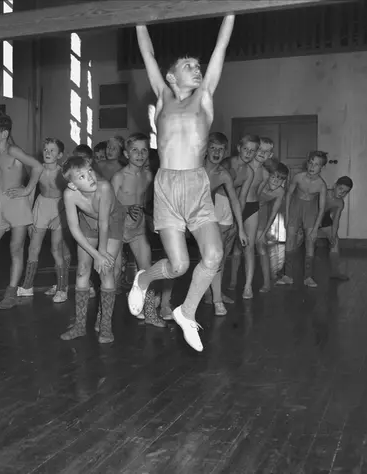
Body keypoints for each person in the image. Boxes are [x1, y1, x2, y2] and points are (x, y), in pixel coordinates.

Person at [128, 15, 234, 352]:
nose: (196, 68)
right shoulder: (163, 95)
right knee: (178, 266)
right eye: (188, 65)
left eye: (197, 65)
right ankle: (143, 279)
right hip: (167, 187)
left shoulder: (204, 96)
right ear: (172, 76)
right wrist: (138, 20)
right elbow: (147, 53)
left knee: (214, 256)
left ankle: (186, 312)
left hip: (196, 186)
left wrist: (231, 12)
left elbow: (220, 47)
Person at [60, 156, 125, 343]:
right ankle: (79, 326)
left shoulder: (104, 188)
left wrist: (101, 254)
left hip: (112, 221)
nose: (90, 177)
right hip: (88, 222)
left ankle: (105, 325)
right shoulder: (69, 194)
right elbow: (74, 228)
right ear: (72, 184)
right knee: (82, 269)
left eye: (90, 171)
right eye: (81, 176)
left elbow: (104, 224)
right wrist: (95, 254)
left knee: (106, 269)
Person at [0, 112, 44, 309]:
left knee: (15, 248)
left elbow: (37, 167)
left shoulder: (13, 151)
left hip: (16, 202)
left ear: (4, 134)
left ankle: (10, 293)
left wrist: (27, 190)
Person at [110, 132, 166, 328]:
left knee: (147, 269)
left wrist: (152, 218)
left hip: (137, 229)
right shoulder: (119, 177)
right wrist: (126, 208)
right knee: (113, 272)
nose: (140, 154)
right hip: (117, 228)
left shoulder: (148, 176)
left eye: (144, 150)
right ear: (126, 154)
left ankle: (150, 313)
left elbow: (146, 202)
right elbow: (107, 205)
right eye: (135, 150)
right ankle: (104, 316)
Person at [17, 138, 69, 303]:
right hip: (41, 206)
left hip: (59, 207)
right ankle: (27, 287)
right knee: (33, 247)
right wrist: (29, 217)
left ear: (59, 155)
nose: (48, 153)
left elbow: (69, 196)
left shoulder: (63, 173)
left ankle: (61, 289)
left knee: (56, 249)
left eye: (52, 150)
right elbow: (31, 191)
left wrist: (60, 217)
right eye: (46, 149)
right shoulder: (38, 169)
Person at [202, 132, 248, 316]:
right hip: (185, 215)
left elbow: (235, 200)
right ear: (205, 149)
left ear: (225, 152)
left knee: (215, 255)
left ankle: (216, 299)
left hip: (204, 218)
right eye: (213, 148)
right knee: (179, 262)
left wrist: (241, 229)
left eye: (220, 149)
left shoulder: (223, 174)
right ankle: (166, 302)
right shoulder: (195, 168)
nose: (216, 152)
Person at [229, 137, 274, 299]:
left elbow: (258, 194)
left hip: (252, 208)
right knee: (233, 246)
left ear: (270, 155)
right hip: (235, 207)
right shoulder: (244, 167)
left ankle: (247, 286)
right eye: (260, 149)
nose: (262, 153)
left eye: (266, 152)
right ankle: (232, 280)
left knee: (249, 246)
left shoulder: (265, 174)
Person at [276, 151, 328, 288]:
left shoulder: (321, 185)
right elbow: (288, 195)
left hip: (310, 212)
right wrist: (287, 215)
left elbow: (321, 208)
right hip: (295, 208)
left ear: (321, 167)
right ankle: (288, 275)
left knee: (310, 242)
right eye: (311, 162)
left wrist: (315, 229)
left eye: (316, 164)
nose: (312, 166)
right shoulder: (298, 177)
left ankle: (308, 277)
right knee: (290, 239)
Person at [222, 134, 258, 292]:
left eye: (252, 150)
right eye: (245, 149)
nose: (248, 153)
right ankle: (211, 293)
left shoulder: (249, 172)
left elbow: (242, 198)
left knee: (225, 251)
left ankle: (218, 292)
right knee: (216, 251)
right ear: (238, 148)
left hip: (232, 207)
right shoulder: (227, 163)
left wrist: (238, 222)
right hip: (217, 204)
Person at [255, 160, 289, 292]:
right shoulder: (261, 183)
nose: (275, 181)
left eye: (280, 179)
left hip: (262, 212)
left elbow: (273, 213)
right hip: (248, 209)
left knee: (261, 246)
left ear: (283, 181)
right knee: (239, 247)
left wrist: (265, 232)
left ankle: (266, 283)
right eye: (273, 177)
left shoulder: (280, 191)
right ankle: (233, 281)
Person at [319, 176, 353, 280]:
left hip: (324, 217)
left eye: (345, 192)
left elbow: (336, 220)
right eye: (340, 189)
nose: (342, 193)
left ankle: (335, 272)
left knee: (335, 242)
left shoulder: (340, 203)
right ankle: (285, 270)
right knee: (298, 240)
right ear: (335, 186)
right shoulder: (323, 192)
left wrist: (333, 236)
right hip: (310, 215)